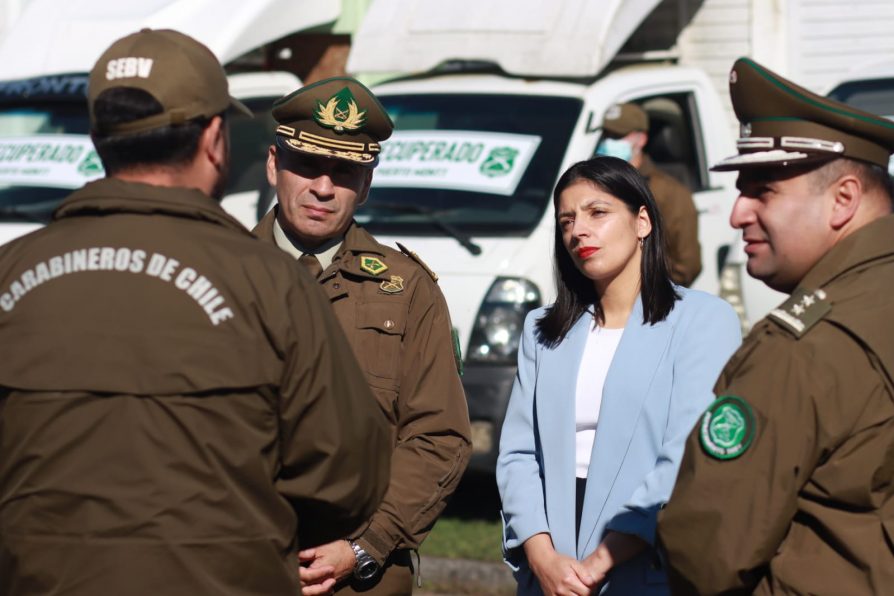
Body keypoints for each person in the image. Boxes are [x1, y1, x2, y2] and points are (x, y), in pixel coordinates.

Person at [0, 29, 390, 596]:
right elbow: (346, 477)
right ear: (215, 139)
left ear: (97, 137)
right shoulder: (272, 283)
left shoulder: (9, 274)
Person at [657, 58, 894, 595]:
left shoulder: (803, 348)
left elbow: (707, 550)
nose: (738, 213)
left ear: (844, 200)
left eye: (763, 190)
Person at [253, 76, 472, 595]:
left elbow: (439, 437)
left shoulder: (409, 289)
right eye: (307, 165)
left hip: (361, 580)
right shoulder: (218, 273)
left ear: (367, 184)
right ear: (272, 165)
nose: (323, 188)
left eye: (344, 171)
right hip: (238, 565)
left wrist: (365, 545)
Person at [496, 156, 740, 595]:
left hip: (646, 560)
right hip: (551, 564)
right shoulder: (543, 330)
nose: (578, 231)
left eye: (597, 212)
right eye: (566, 220)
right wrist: (541, 554)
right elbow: (518, 455)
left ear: (642, 221)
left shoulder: (703, 320)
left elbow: (686, 455)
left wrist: (599, 562)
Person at [596, 102, 702, 286]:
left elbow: (686, 266)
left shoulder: (669, 192)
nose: (609, 142)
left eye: (618, 136)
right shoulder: (592, 185)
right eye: (606, 135)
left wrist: (640, 287)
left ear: (641, 139)